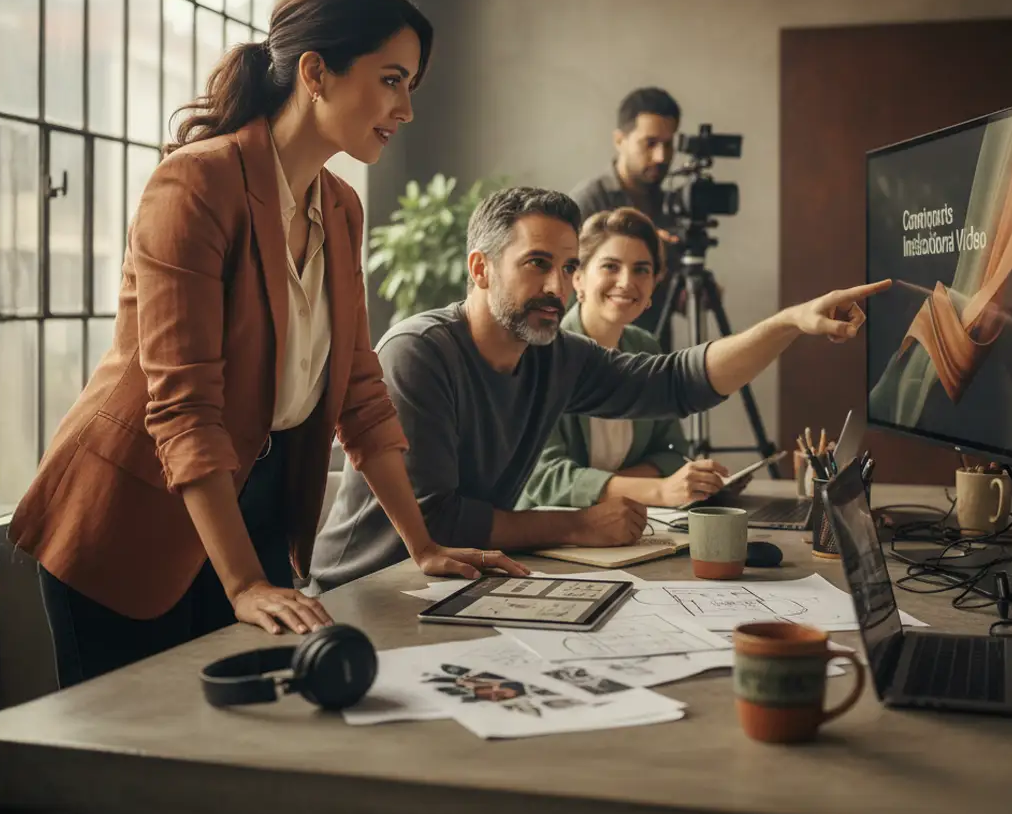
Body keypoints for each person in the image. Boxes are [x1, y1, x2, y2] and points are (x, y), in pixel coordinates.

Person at [7, 0, 523, 814]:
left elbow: (360, 389)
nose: (404, 108)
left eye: (412, 86)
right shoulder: (194, 186)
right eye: (391, 79)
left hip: (244, 512)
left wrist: (425, 543)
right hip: (126, 521)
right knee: (139, 807)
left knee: (267, 796)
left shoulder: (341, 206)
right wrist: (244, 586)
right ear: (316, 73)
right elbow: (183, 409)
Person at [309, 187, 887, 591]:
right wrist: (577, 523)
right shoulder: (419, 354)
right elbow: (439, 521)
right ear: (481, 269)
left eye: (566, 267)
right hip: (370, 590)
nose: (557, 286)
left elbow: (679, 382)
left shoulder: (554, 355)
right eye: (537, 264)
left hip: (466, 581)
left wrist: (788, 323)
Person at [518, 207, 733, 512]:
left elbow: (672, 452)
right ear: (577, 277)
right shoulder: (541, 353)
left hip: (628, 521)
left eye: (642, 269)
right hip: (547, 530)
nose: (626, 281)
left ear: (653, 287)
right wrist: (654, 490)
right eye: (610, 266)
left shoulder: (644, 347)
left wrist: (608, 488)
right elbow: (544, 476)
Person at [570, 87, 681, 333]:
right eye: (650, 143)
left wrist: (684, 294)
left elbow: (667, 287)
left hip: (653, 348)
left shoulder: (672, 203)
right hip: (596, 349)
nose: (661, 156)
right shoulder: (589, 201)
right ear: (620, 140)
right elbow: (564, 284)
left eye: (668, 144)